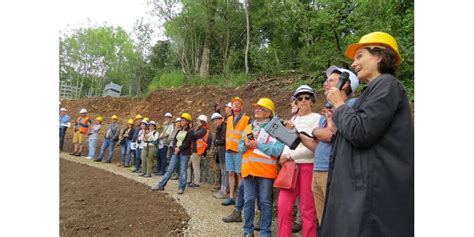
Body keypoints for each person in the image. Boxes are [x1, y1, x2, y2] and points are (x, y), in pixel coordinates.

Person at [320, 32, 414, 237]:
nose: (354, 64)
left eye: (360, 56)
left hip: (374, 196)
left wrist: (339, 104)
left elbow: (361, 132)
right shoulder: (372, 91)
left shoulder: (387, 85)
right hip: (363, 191)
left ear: (379, 55)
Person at [298, 66, 359, 227]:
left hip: (333, 170)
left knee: (338, 220)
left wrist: (316, 131)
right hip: (318, 169)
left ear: (344, 84)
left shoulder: (352, 104)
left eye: (330, 80)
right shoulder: (328, 110)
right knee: (323, 220)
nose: (325, 84)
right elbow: (317, 146)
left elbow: (331, 134)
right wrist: (299, 136)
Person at [278, 85, 321, 237]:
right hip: (290, 167)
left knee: (307, 209)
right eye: (300, 98)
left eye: (307, 97)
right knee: (283, 206)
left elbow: (315, 146)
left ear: (312, 101)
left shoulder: (317, 119)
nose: (303, 100)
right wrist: (284, 155)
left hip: (308, 166)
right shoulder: (293, 119)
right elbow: (286, 142)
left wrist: (291, 155)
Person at [240, 98, 284, 237]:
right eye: (257, 108)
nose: (257, 110)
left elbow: (278, 150)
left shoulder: (276, 129)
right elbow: (240, 146)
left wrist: (259, 145)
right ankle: (248, 231)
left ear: (269, 113)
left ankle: (265, 231)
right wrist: (246, 146)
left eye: (261, 108)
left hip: (265, 172)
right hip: (249, 171)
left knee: (265, 202)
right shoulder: (249, 127)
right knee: (248, 201)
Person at [222, 97, 251, 223]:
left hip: (239, 150)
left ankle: (240, 197)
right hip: (229, 149)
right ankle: (231, 196)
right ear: (231, 106)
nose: (236, 105)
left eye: (238, 103)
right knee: (231, 173)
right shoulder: (228, 119)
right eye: (234, 104)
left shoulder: (246, 119)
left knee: (240, 174)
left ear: (241, 106)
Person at [152, 113, 194, 195]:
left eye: (183, 120)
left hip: (184, 153)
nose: (181, 122)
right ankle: (161, 185)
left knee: (183, 170)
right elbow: (175, 140)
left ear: (188, 122)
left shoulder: (190, 131)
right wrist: (175, 147)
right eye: (181, 120)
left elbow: (187, 142)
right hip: (176, 152)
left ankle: (181, 187)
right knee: (170, 169)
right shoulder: (178, 130)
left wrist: (179, 148)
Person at [187, 114, 209, 188]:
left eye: (198, 121)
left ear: (202, 122)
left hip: (197, 151)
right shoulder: (200, 129)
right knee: (189, 165)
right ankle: (189, 180)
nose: (197, 122)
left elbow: (194, 136)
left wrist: (191, 130)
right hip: (195, 150)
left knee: (195, 167)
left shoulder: (203, 130)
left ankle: (196, 183)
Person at [211, 112, 228, 199]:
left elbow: (222, 141)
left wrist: (217, 141)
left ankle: (224, 191)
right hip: (221, 153)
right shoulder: (219, 128)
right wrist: (217, 141)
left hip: (224, 152)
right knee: (223, 172)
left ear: (221, 119)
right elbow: (216, 141)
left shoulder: (224, 127)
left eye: (216, 120)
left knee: (225, 172)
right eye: (214, 121)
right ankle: (222, 189)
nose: (215, 122)